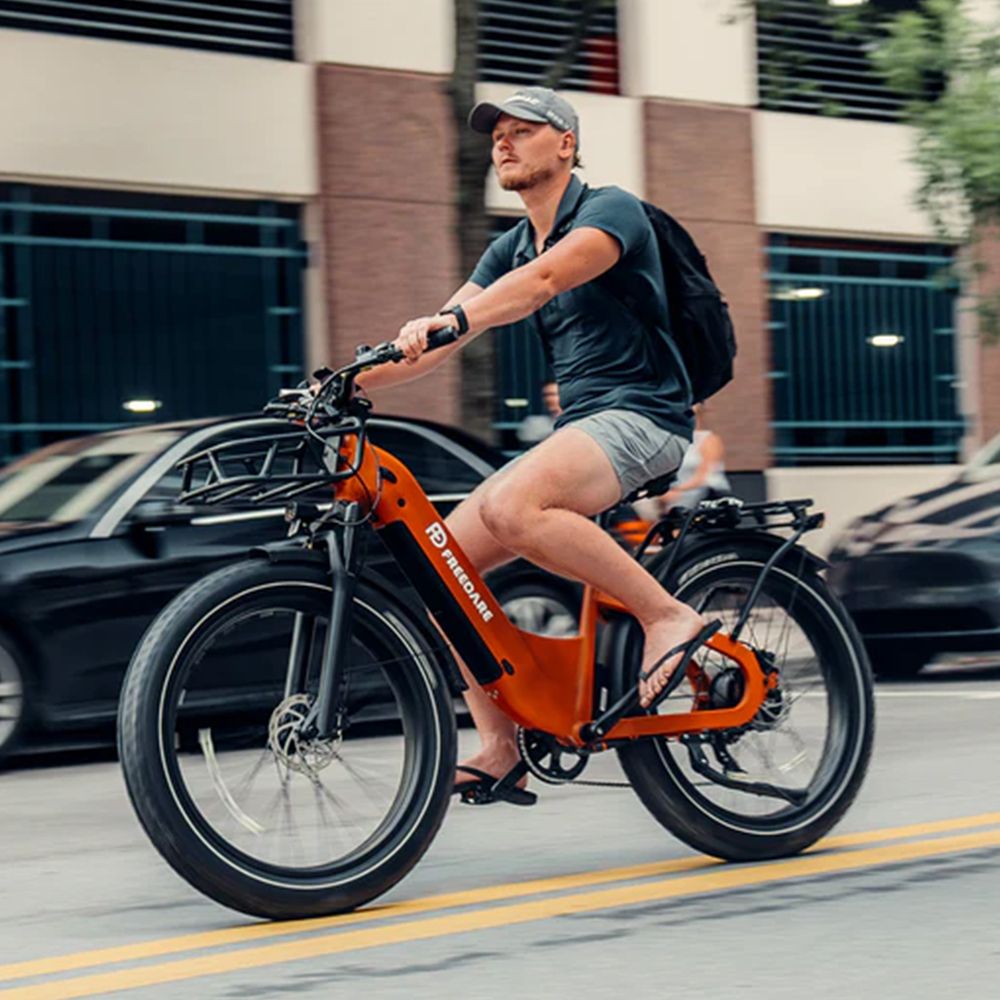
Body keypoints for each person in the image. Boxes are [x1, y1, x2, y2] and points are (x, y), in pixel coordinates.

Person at [353, 86, 708, 802]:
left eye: (522, 131)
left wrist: (453, 319)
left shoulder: (610, 211)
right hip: (585, 429)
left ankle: (668, 614)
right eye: (496, 137)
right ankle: (499, 746)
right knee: (439, 565)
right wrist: (348, 382)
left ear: (566, 144)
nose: (503, 145)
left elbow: (543, 282)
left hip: (647, 416)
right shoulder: (509, 244)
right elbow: (441, 338)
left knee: (517, 504)